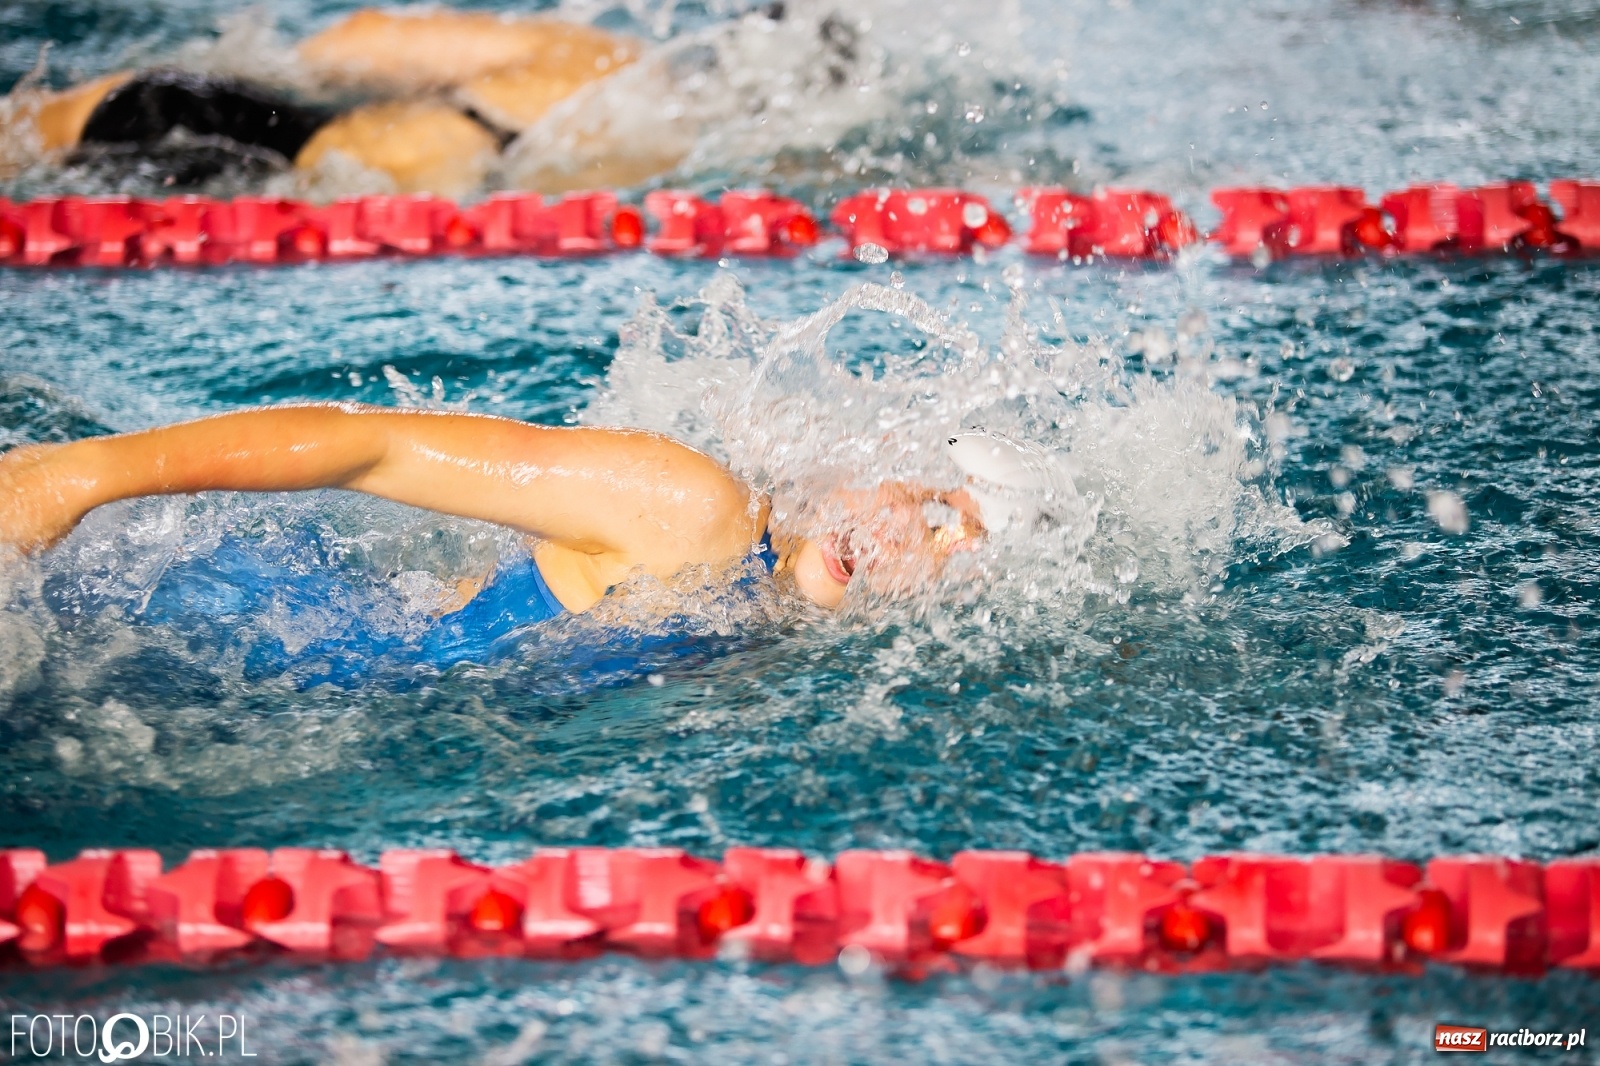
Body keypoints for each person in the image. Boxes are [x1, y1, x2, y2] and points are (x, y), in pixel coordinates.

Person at [0, 404, 983, 676]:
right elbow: (369, 447)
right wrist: (80, 476)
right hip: (228, 611)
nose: (906, 542)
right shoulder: (695, 508)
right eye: (931, 504)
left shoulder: (759, 628)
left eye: (953, 553)